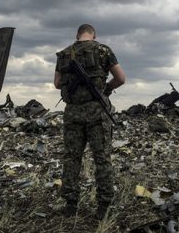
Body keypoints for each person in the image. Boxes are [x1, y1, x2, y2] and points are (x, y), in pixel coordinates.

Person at [54, 24, 126, 220]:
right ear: (94, 35)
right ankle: (103, 207)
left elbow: (57, 83)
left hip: (73, 113)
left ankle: (70, 205)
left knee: (71, 158)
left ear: (77, 35)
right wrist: (107, 89)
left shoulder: (64, 54)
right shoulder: (103, 50)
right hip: (97, 112)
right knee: (102, 158)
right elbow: (121, 78)